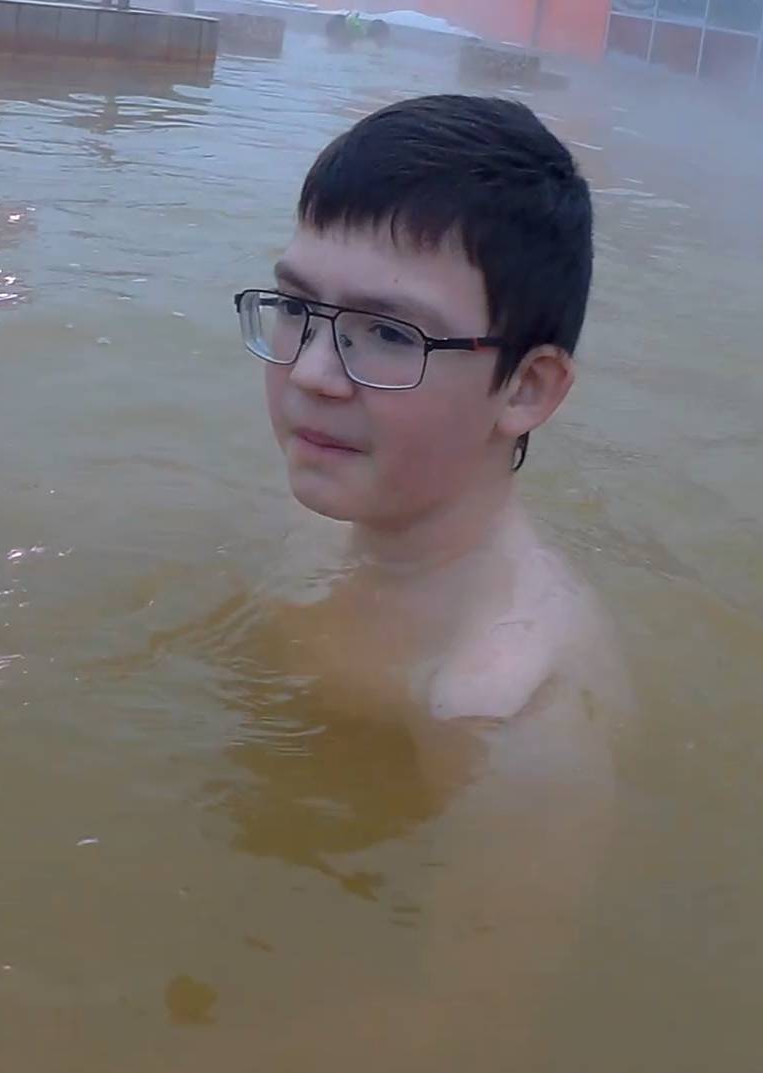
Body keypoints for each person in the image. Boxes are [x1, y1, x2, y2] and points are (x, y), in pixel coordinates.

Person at [206, 93, 632, 1066]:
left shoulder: (510, 713)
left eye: (389, 335)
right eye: (299, 309)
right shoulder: (327, 522)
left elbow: (462, 1029)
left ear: (525, 388)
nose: (312, 372)